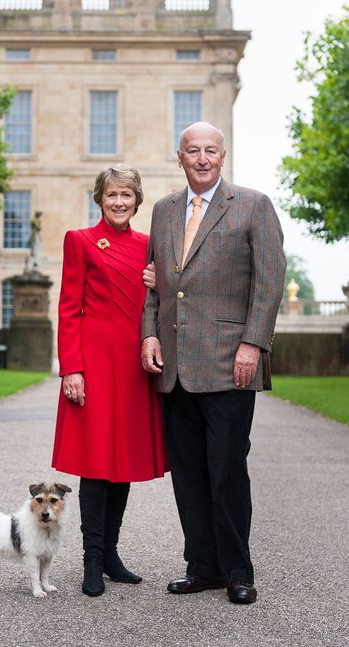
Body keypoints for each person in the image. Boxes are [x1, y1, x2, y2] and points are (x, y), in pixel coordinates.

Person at [141, 121, 286, 605]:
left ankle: (238, 570)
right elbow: (155, 286)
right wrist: (148, 335)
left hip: (230, 362)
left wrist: (253, 344)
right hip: (175, 365)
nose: (201, 158)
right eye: (192, 151)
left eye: (210, 151)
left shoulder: (253, 205)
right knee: (188, 474)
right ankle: (201, 566)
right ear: (178, 157)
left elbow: (269, 282)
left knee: (226, 471)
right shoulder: (162, 212)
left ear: (222, 156)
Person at [52, 164, 168, 597]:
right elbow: (68, 309)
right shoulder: (80, 241)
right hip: (96, 364)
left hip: (135, 364)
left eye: (127, 195)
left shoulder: (149, 246)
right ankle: (91, 560)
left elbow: (163, 300)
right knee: (98, 463)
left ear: (138, 200)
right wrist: (72, 368)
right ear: (99, 198)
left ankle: (112, 554)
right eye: (111, 195)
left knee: (122, 465)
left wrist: (162, 280)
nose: (119, 202)